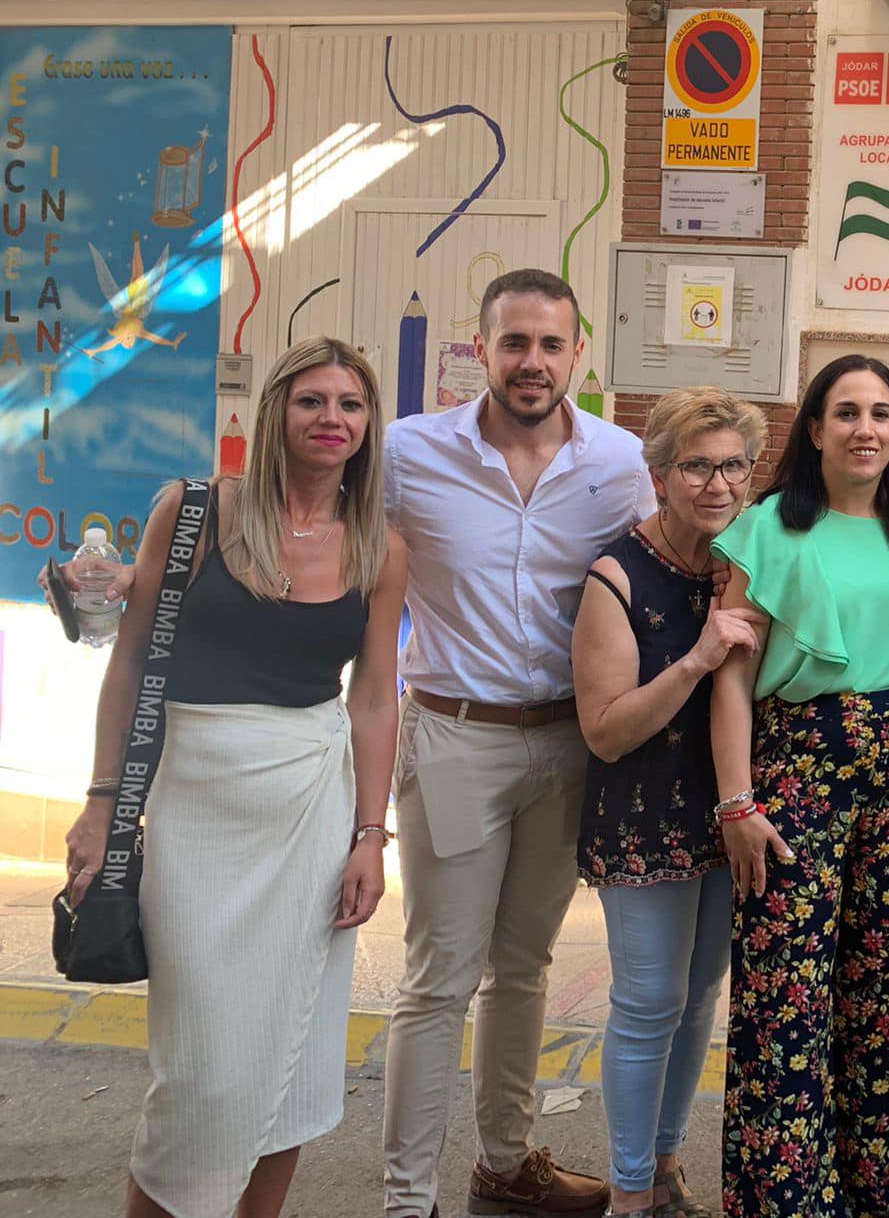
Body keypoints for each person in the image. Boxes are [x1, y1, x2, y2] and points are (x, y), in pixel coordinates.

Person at [60, 338, 407, 1218]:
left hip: (310, 812)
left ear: (369, 428)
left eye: (352, 405)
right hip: (194, 806)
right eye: (312, 401)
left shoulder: (379, 545)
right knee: (202, 1071)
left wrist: (372, 836)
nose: (333, 419)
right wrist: (102, 804)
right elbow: (130, 660)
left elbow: (373, 698)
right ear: (276, 413)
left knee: (292, 1061)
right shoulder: (191, 512)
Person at [382, 268, 651, 1218]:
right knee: (437, 980)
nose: (532, 362)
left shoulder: (620, 461)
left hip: (568, 746)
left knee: (525, 965)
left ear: (579, 353)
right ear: (482, 348)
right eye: (514, 343)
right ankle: (406, 1199)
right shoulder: (409, 453)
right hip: (454, 737)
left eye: (550, 344)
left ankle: (505, 1162)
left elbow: (658, 579)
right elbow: (316, 542)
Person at [708, 355, 889, 1218]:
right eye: (846, 412)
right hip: (801, 766)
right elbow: (731, 676)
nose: (866, 429)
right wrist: (738, 802)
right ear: (814, 428)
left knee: (878, 997)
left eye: (882, 414)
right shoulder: (769, 526)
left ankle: (860, 1197)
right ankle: (783, 1201)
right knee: (787, 996)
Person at [571, 388, 769, 1218]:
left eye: (733, 466)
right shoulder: (616, 576)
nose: (718, 484)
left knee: (697, 1002)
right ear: (659, 475)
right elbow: (607, 732)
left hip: (723, 816)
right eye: (697, 465)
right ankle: (625, 1189)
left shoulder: (743, 565)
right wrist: (694, 658)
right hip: (643, 815)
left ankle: (661, 1163)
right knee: (648, 1002)